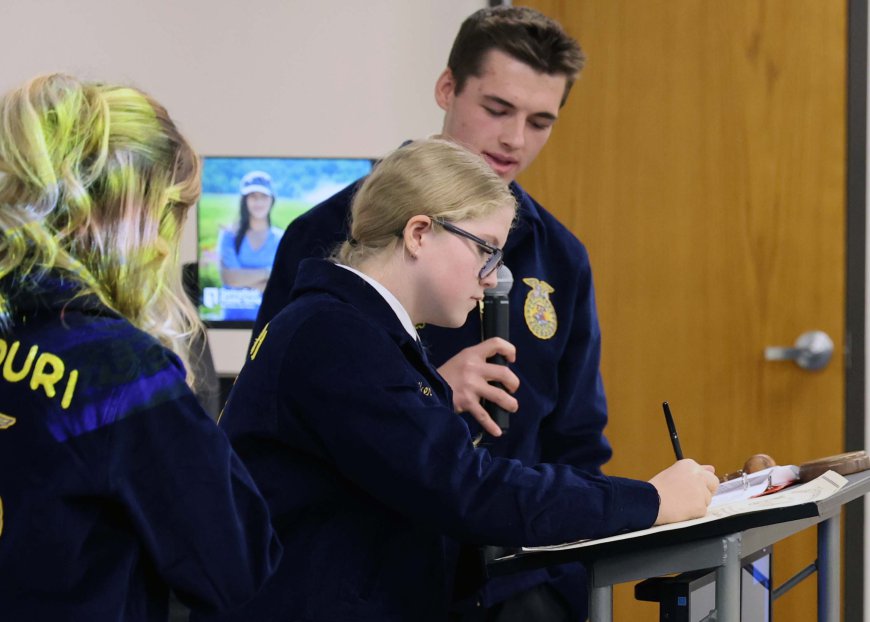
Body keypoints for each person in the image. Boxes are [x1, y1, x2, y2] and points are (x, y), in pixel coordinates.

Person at [201, 138, 718, 622]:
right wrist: (649, 501)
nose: (493, 278)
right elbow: (467, 489)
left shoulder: (357, 330)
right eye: (484, 249)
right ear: (419, 232)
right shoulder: (335, 336)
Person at [252, 6, 619, 619]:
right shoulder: (330, 233)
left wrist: (561, 589)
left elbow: (576, 442)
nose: (513, 140)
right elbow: (286, 415)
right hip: (372, 575)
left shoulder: (561, 257)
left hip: (517, 577)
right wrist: (424, 391)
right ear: (447, 88)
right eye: (497, 109)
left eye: (540, 122)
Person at [0, 74, 281, 620]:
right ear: (130, 215)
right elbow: (236, 568)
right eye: (172, 216)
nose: (164, 246)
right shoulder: (122, 373)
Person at [219, 170, 282, 293]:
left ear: (272, 200)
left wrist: (245, 278)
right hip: (234, 311)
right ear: (245, 200)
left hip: (271, 312)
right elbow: (231, 279)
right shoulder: (229, 235)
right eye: (253, 196)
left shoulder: (281, 238)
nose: (258, 202)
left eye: (264, 196)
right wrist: (268, 273)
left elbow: (281, 283)